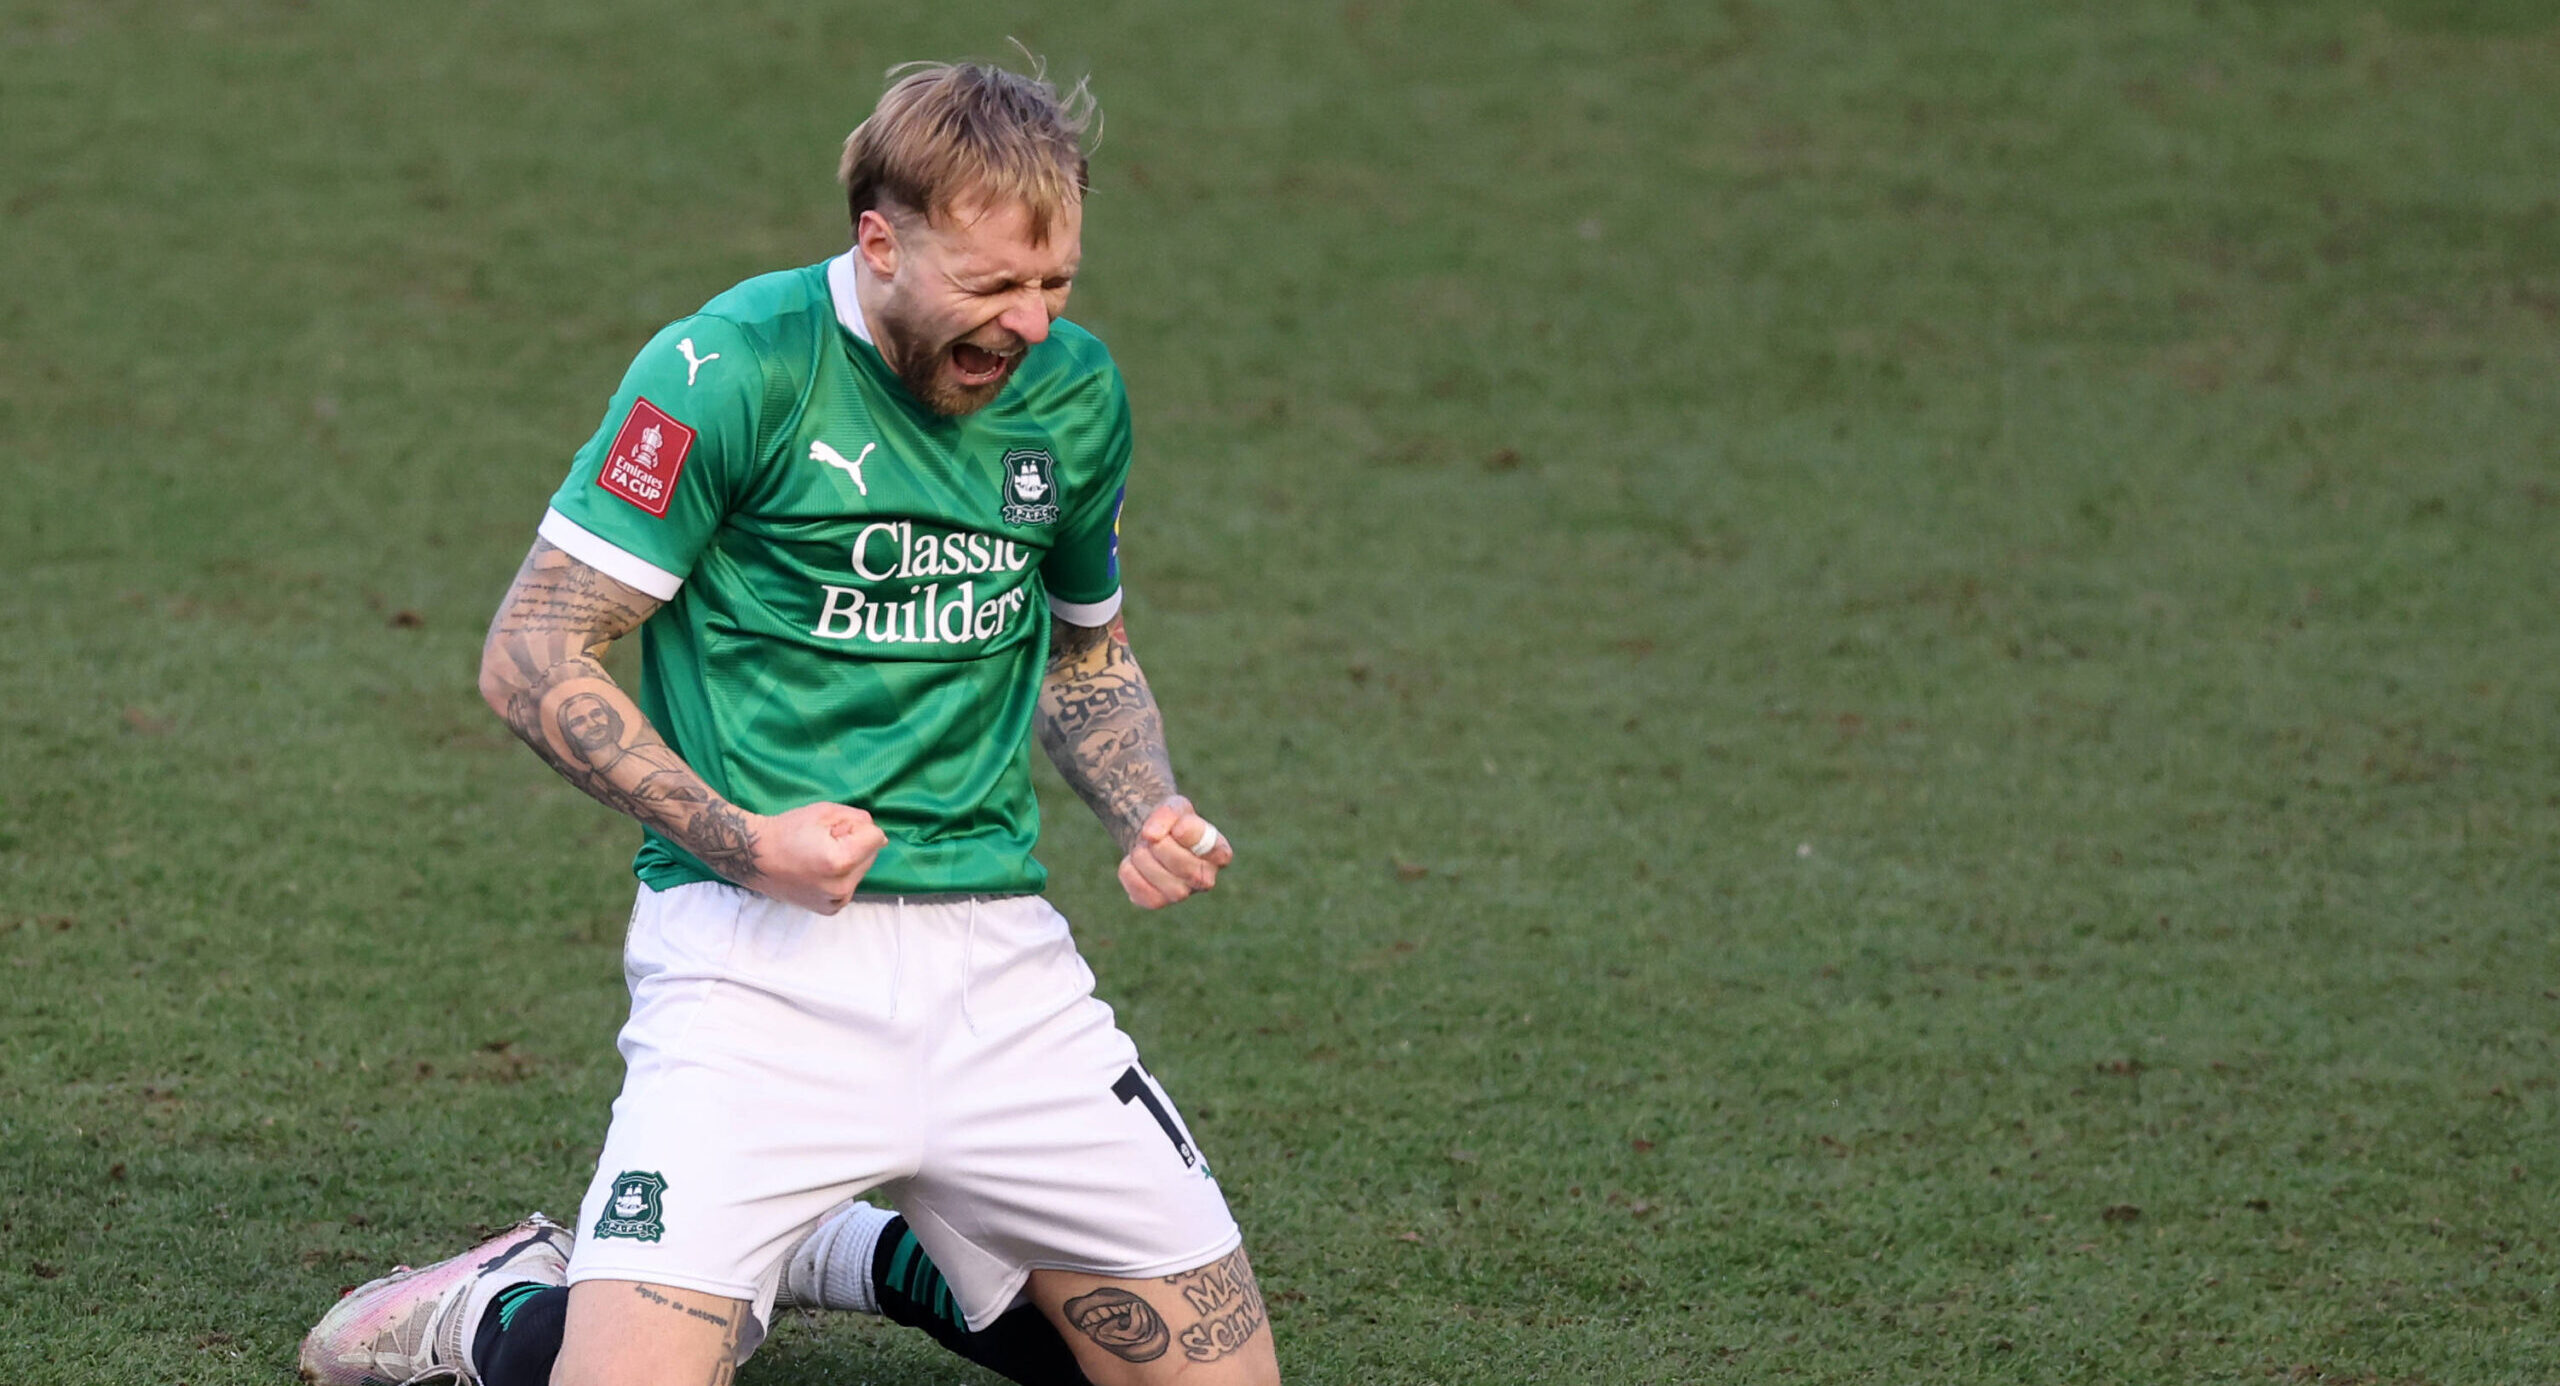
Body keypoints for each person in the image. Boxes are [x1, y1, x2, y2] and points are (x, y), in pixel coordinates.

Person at [298, 57, 1279, 1386]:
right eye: (992, 288)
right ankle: (489, 1313)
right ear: (881, 242)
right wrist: (749, 843)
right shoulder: (728, 369)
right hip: (750, 969)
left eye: (1056, 285)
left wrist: (1144, 798)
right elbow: (533, 654)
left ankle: (848, 1246)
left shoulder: (1074, 395)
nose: (1033, 325)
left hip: (1001, 976)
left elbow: (1085, 649)